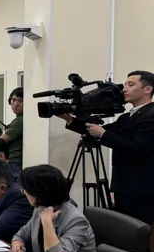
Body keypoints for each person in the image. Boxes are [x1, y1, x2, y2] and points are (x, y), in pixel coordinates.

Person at [59, 70, 154, 224]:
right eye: (125, 84)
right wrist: (69, 119)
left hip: (141, 189)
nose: (124, 89)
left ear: (147, 89)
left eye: (131, 85)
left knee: (137, 230)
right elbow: (95, 131)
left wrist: (103, 134)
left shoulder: (151, 114)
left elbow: (138, 148)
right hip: (124, 185)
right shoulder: (127, 117)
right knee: (123, 228)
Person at [11, 165, 103, 252]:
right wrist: (17, 245)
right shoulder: (40, 209)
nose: (24, 193)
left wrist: (47, 223)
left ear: (38, 193)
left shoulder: (76, 221)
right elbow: (21, 235)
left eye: (25, 190)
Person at [1, 87, 24, 169]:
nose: (16, 104)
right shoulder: (19, 119)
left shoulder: (20, 120)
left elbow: (0, 142)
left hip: (14, 164)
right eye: (13, 100)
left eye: (20, 101)